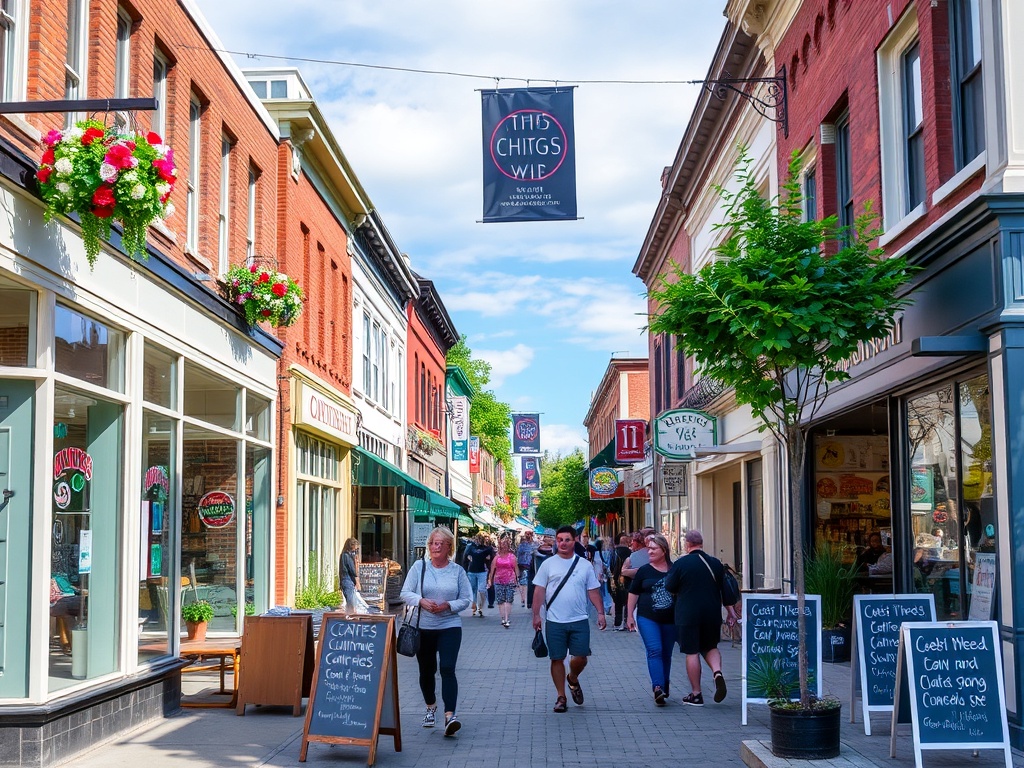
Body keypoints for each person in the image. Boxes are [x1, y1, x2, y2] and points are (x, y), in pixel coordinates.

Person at [400, 526, 472, 737]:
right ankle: (430, 706)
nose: (436, 546)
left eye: (440, 543)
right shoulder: (419, 567)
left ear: (449, 546)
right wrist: (421, 600)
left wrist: (448, 605)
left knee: (448, 668)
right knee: (426, 670)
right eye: (433, 543)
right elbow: (405, 592)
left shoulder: (457, 571)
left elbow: (467, 599)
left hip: (449, 626)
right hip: (424, 627)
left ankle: (450, 716)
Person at [532, 526, 606, 712]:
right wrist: (536, 615)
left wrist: (601, 612)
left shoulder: (584, 565)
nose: (563, 543)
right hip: (555, 620)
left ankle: (572, 677)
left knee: (581, 657)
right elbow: (539, 590)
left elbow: (593, 590)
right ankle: (561, 697)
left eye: (567, 540)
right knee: (557, 658)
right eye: (559, 540)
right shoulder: (548, 564)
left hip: (579, 619)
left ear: (575, 541)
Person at [664, 529, 738, 706]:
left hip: (688, 614)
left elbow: (669, 586)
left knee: (692, 651)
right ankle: (717, 672)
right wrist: (731, 612)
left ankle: (696, 694)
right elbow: (725, 590)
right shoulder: (715, 563)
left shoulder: (681, 564)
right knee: (710, 646)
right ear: (701, 543)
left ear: (686, 544)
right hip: (712, 613)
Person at [626, 534, 676, 706]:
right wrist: (629, 616)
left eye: (654, 549)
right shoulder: (644, 571)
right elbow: (633, 593)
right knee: (655, 650)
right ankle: (657, 687)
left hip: (671, 619)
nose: (650, 552)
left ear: (664, 550)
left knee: (666, 654)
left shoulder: (674, 570)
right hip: (647, 617)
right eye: (649, 549)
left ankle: (664, 683)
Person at [488, 534, 520, 628]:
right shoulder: (496, 557)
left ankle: (506, 618)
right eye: (503, 545)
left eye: (506, 545)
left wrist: (518, 580)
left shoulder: (512, 557)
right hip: (498, 580)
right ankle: (503, 618)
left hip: (510, 580)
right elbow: (492, 569)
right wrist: (490, 580)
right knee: (501, 600)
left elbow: (516, 568)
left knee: (509, 599)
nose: (504, 547)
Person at [463, 533, 493, 617]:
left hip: (478, 572)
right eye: (477, 539)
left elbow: (490, 558)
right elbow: (465, 558)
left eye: (479, 539)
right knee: (475, 590)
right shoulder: (472, 547)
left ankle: (478, 607)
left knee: (479, 589)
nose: (478, 541)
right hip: (475, 572)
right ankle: (476, 607)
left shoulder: (484, 548)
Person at [610, 533, 632, 630]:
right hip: (627, 579)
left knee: (617, 602)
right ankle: (627, 622)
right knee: (627, 601)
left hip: (615, 579)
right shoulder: (630, 553)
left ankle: (617, 623)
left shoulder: (614, 552)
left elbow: (610, 565)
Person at [516, 531, 537, 608]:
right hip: (523, 564)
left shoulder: (535, 544)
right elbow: (518, 554)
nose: (528, 536)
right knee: (523, 582)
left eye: (529, 534)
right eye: (526, 534)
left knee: (529, 583)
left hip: (531, 565)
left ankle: (528, 600)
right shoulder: (522, 544)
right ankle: (523, 599)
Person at [339, 538, 360, 611]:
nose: (355, 550)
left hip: (345, 580)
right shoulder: (347, 556)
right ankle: (351, 616)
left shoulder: (343, 555)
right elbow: (352, 570)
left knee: (350, 601)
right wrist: (357, 579)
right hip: (348, 580)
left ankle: (350, 614)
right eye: (355, 548)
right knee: (351, 602)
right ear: (351, 546)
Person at [594, 538, 613, 614]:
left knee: (599, 591)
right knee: (606, 590)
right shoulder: (608, 553)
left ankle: (600, 606)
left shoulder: (595, 554)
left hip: (597, 574)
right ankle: (607, 606)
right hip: (605, 575)